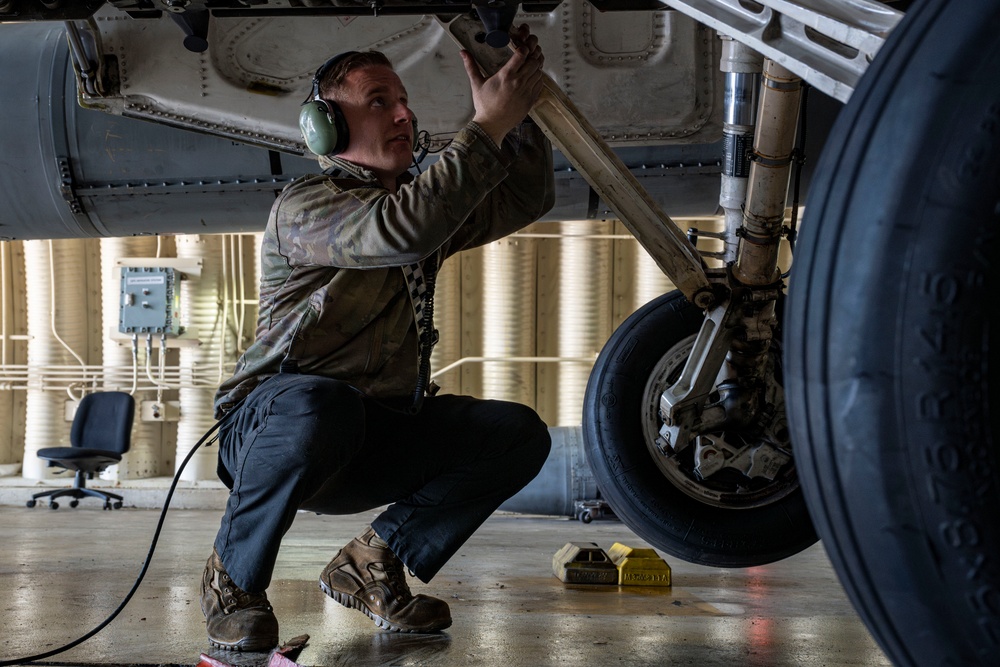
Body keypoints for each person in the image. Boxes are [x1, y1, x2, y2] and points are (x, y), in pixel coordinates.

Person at [199, 25, 555, 651]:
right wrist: (485, 128)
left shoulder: (416, 209)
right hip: (272, 431)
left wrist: (519, 111)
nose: (403, 114)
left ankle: (372, 560)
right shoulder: (306, 207)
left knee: (516, 434)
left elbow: (526, 196)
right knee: (321, 403)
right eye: (378, 102)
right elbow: (400, 230)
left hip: (368, 436)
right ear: (327, 127)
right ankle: (233, 578)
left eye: (403, 101)